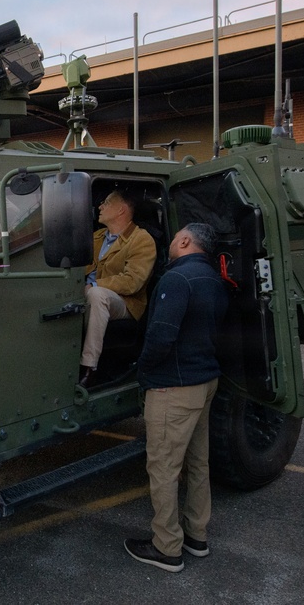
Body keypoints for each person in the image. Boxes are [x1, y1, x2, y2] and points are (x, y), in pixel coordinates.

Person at [123, 223, 228, 573]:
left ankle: (167, 547)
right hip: (205, 380)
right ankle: (196, 535)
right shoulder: (213, 278)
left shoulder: (176, 279)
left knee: (164, 468)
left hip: (174, 386)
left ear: (185, 241)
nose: (169, 242)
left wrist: (143, 371)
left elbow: (161, 337)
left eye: (174, 237)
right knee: (198, 463)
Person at [78, 187, 156, 387]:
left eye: (106, 203)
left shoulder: (141, 239)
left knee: (97, 295)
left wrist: (94, 284)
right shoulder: (97, 236)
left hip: (126, 303)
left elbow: (133, 281)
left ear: (121, 210)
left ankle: (89, 366)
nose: (100, 206)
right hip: (88, 294)